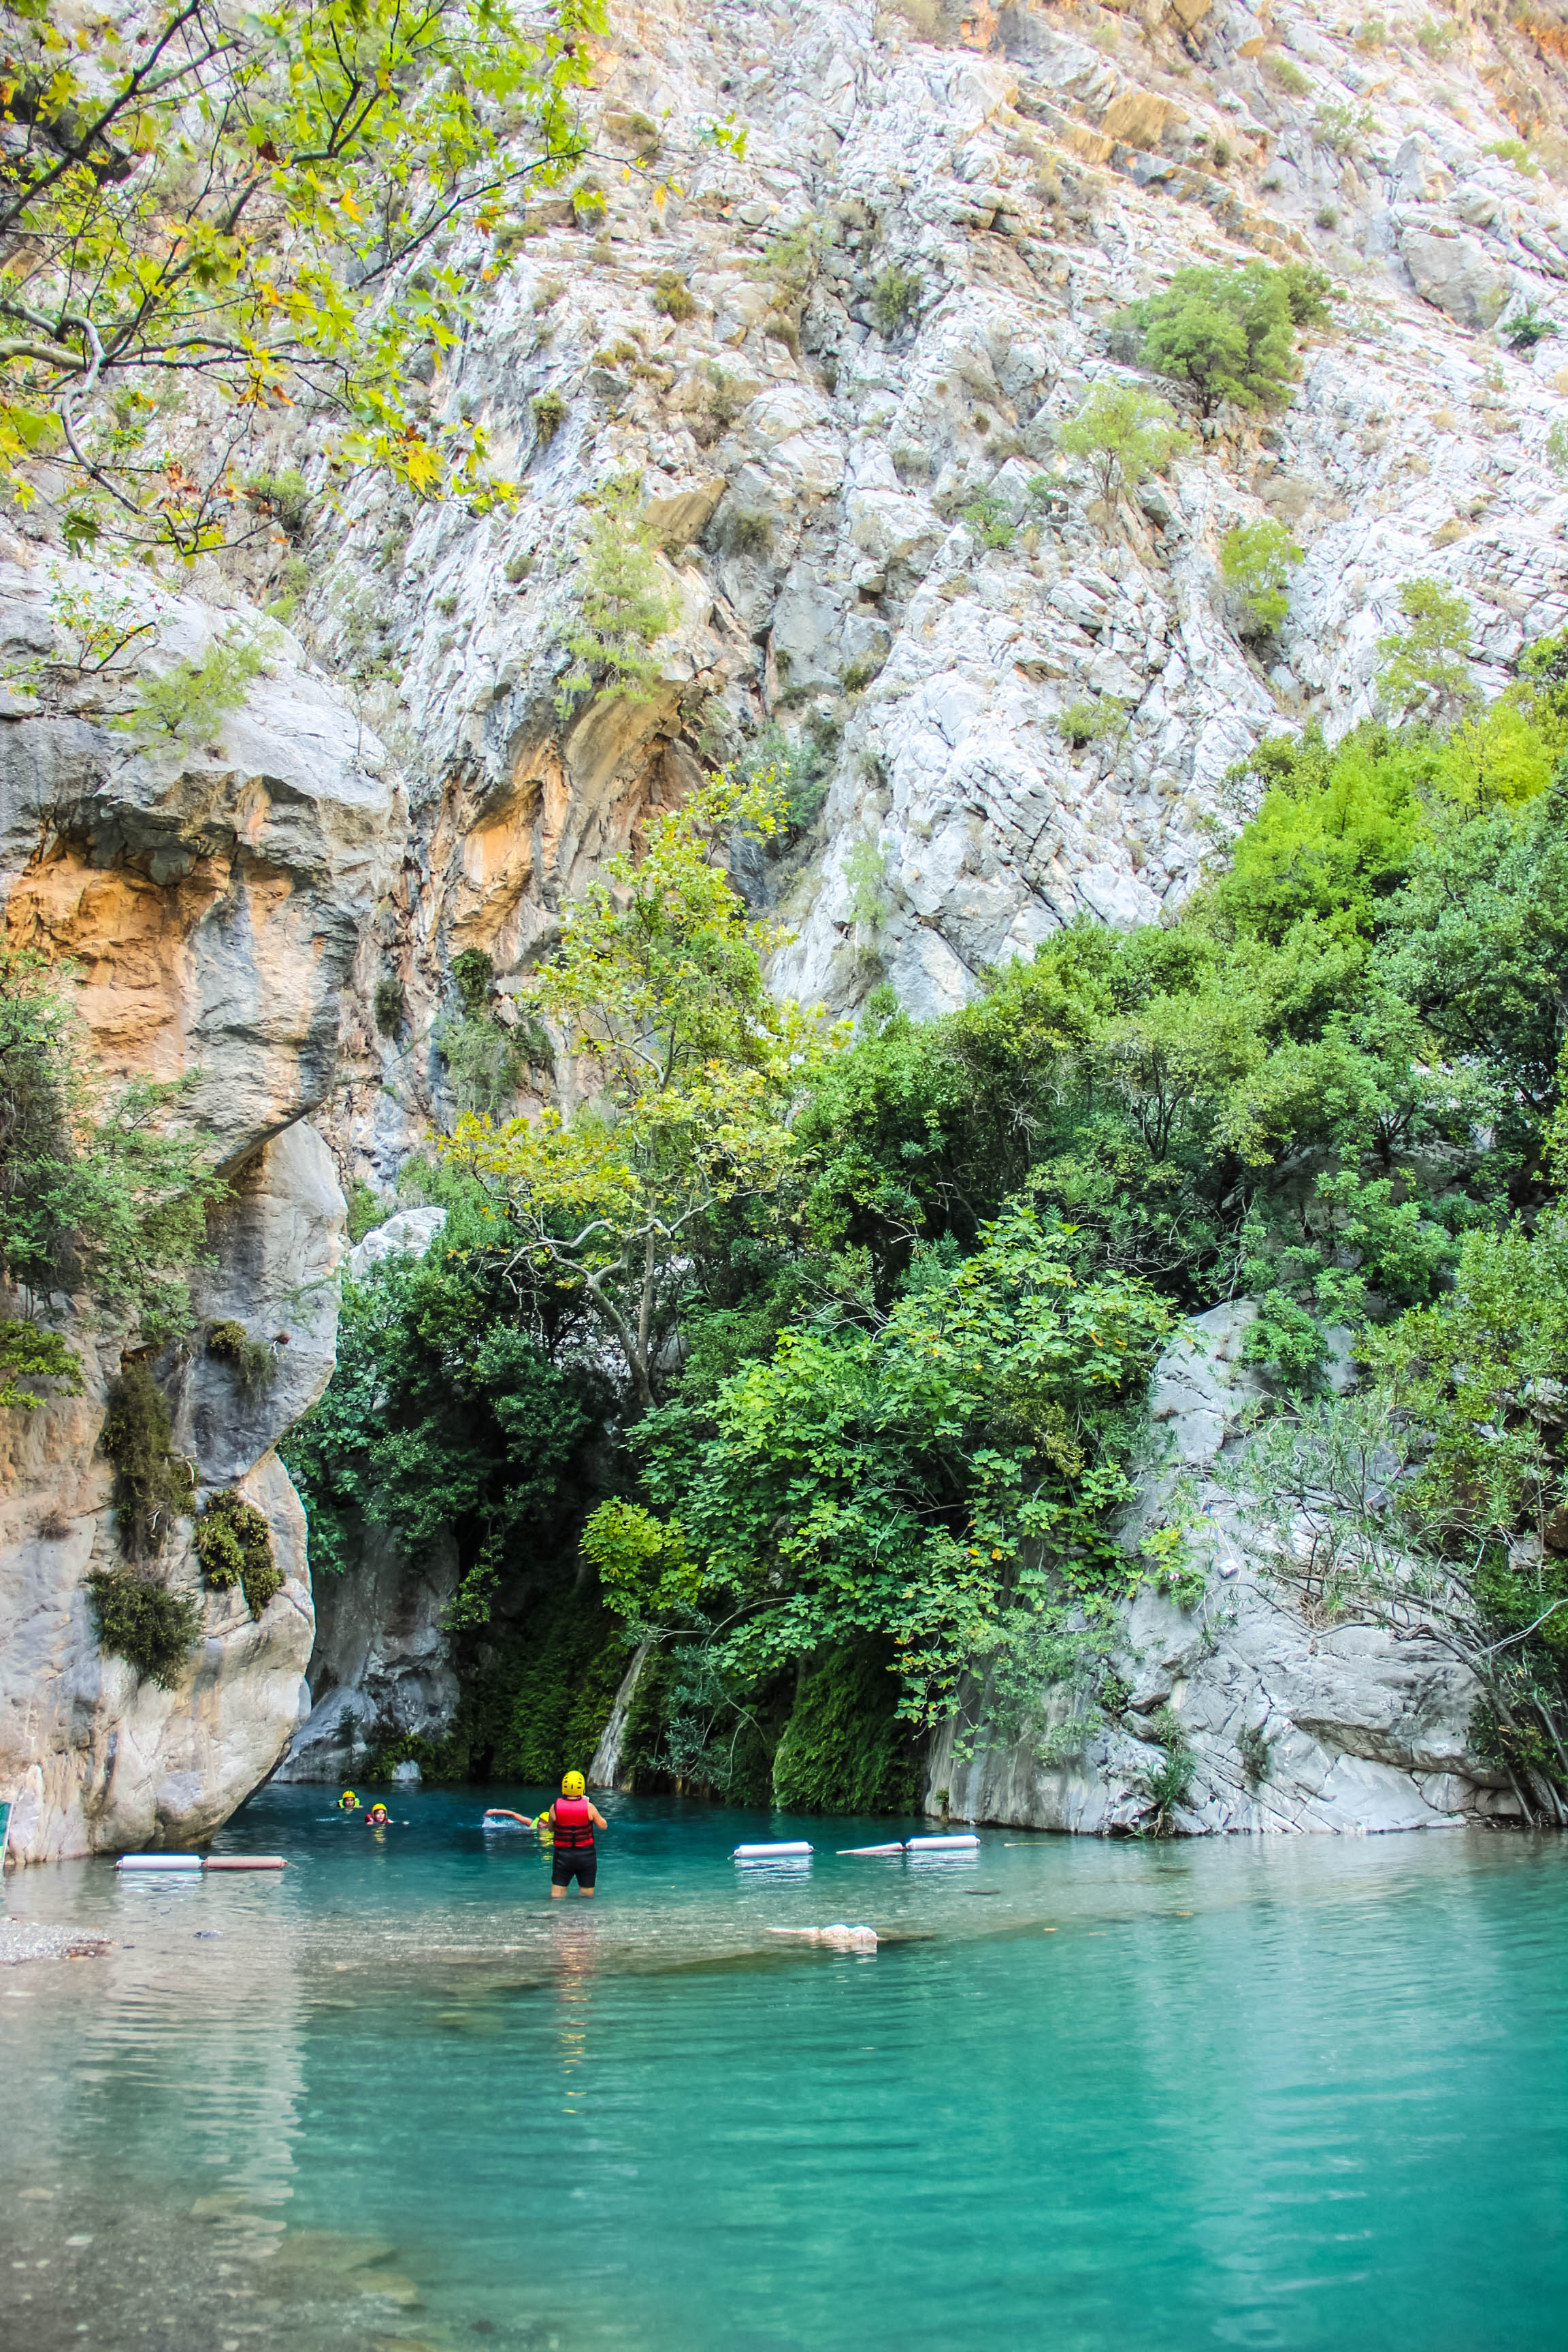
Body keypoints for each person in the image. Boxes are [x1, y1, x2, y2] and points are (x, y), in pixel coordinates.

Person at [540, 1770, 606, 1899]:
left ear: (563, 1788)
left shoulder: (555, 1807)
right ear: (582, 1789)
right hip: (586, 1856)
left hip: (563, 1857)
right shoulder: (589, 1807)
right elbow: (603, 1826)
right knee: (587, 1897)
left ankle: (557, 1917)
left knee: (557, 1896)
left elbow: (550, 1829)